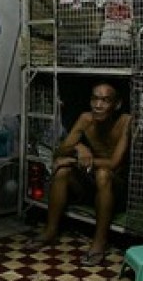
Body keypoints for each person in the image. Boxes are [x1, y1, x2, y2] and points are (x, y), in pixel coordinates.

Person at [26, 81, 132, 266]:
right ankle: (51, 231)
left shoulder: (126, 122)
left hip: (117, 189)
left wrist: (75, 160)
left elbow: (114, 163)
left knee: (103, 174)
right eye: (95, 99)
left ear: (117, 104)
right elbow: (59, 154)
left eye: (105, 101)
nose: (98, 106)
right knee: (62, 170)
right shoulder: (85, 119)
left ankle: (99, 242)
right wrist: (78, 146)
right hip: (92, 184)